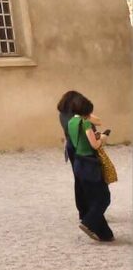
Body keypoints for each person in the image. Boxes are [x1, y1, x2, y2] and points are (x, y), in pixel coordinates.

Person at [66, 92, 114, 242]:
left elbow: (78, 140)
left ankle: (105, 233)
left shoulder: (71, 122)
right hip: (90, 162)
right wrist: (103, 138)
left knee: (93, 198)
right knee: (104, 197)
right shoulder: (86, 123)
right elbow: (94, 144)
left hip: (79, 162)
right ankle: (88, 222)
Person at [57, 90, 87, 223]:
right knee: (88, 179)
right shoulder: (75, 117)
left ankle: (82, 211)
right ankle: (90, 211)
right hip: (80, 147)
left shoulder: (62, 114)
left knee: (78, 179)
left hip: (70, 147)